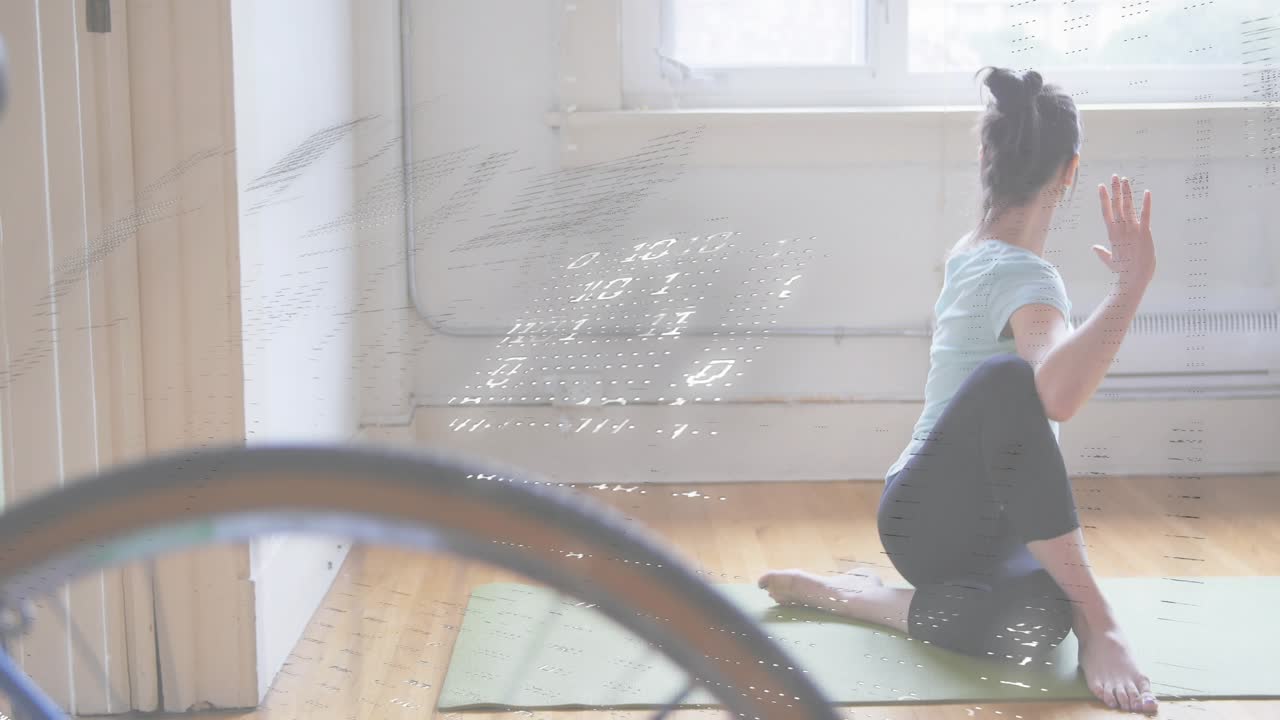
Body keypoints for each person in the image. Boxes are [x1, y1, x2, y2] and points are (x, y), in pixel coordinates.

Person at [759, 66, 1159, 715]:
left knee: (1039, 620)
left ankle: (855, 597)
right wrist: (1128, 290)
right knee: (1009, 382)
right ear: (1071, 172)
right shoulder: (1027, 276)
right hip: (932, 518)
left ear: (984, 159)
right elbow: (1055, 394)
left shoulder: (971, 251)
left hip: (959, 528)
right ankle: (1100, 618)